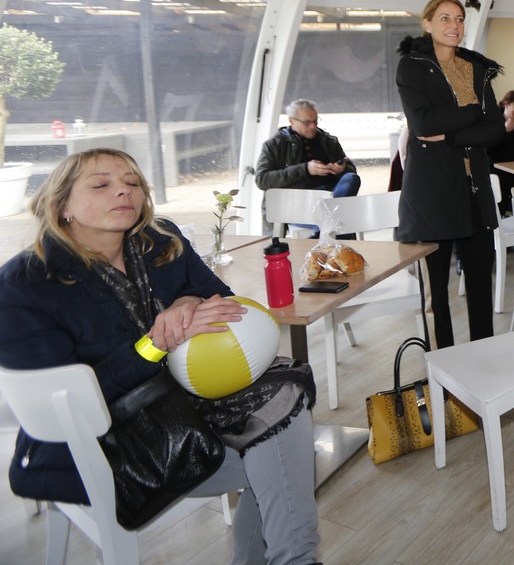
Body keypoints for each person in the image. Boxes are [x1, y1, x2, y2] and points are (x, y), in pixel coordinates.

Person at [0, 149, 320, 564]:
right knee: (281, 453)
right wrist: (154, 344)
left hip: (180, 404)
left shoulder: (160, 240)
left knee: (282, 399)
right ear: (62, 206)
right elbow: (70, 404)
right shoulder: (24, 283)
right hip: (102, 447)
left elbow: (220, 299)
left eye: (132, 182)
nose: (123, 192)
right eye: (101, 184)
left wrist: (188, 300)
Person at [395, 0, 504, 348]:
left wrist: (452, 134)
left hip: (475, 193)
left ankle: (482, 361)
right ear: (427, 24)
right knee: (436, 297)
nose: (454, 25)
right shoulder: (412, 66)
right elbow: (423, 123)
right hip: (432, 195)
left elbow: (495, 130)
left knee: (480, 289)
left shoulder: (476, 67)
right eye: (444, 18)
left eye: (459, 19)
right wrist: (473, 112)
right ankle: (442, 369)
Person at [254, 99, 360, 234]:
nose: (313, 126)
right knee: (339, 216)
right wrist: (305, 169)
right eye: (307, 122)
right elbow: (262, 179)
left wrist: (341, 169)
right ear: (291, 121)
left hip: (330, 196)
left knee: (351, 178)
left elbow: (349, 169)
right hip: (298, 204)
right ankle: (327, 226)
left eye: (315, 121)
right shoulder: (275, 145)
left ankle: (323, 227)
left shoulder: (328, 141)